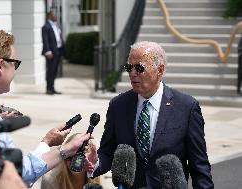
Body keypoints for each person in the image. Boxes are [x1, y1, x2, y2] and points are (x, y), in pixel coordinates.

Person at [0, 29, 91, 187]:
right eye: (15, 63)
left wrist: (61, 148)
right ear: (1, 66)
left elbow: (19, 171)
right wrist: (64, 150)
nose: (15, 70)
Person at [87, 41, 214, 188]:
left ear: (160, 70)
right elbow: (107, 153)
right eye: (129, 67)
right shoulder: (118, 105)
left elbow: (199, 166)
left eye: (139, 68)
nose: (132, 73)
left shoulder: (186, 107)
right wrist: (94, 162)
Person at [41, 10, 64, 95]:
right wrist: (48, 51)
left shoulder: (56, 25)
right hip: (51, 53)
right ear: (49, 16)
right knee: (50, 71)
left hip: (58, 51)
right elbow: (45, 40)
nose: (56, 16)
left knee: (55, 71)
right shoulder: (45, 27)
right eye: (54, 15)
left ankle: (52, 88)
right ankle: (48, 89)